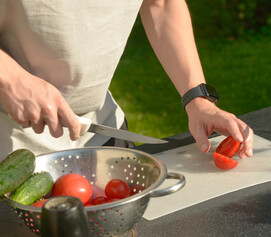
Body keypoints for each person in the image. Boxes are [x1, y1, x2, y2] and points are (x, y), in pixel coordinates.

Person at [0, 0, 253, 160]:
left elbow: (161, 4)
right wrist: (10, 78)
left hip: (101, 132)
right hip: (10, 148)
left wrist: (197, 98)